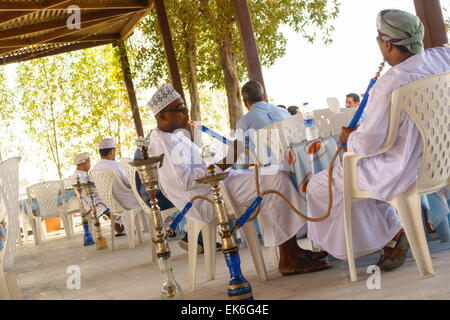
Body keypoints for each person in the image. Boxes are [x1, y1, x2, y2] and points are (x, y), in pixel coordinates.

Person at [306, 9, 450, 271]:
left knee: (320, 184)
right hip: (441, 161)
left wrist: (352, 137)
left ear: (386, 43)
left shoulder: (389, 83)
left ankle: (386, 236)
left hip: (402, 170)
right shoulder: (444, 57)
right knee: (353, 181)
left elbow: (368, 144)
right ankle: (392, 234)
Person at [145, 83, 330, 276]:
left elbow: (201, 167)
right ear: (163, 116)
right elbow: (187, 182)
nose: (186, 112)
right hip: (204, 200)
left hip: (216, 187)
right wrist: (226, 162)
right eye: (180, 109)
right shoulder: (159, 144)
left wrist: (227, 158)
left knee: (278, 171)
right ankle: (287, 259)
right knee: (274, 179)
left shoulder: (176, 136)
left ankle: (294, 251)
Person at [91, 138, 148, 235]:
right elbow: (130, 182)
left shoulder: (95, 168)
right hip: (127, 201)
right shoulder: (116, 166)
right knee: (148, 194)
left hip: (111, 204)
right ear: (112, 151)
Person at [236, 80, 290, 166]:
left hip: (270, 174)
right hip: (296, 167)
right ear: (264, 97)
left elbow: (249, 162)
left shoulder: (243, 123)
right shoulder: (284, 112)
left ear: (245, 102)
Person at [72, 152, 110, 223]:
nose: (90, 165)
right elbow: (87, 193)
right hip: (92, 201)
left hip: (95, 199)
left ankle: (119, 225)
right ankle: (119, 225)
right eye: (89, 162)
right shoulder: (78, 176)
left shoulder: (82, 174)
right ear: (84, 163)